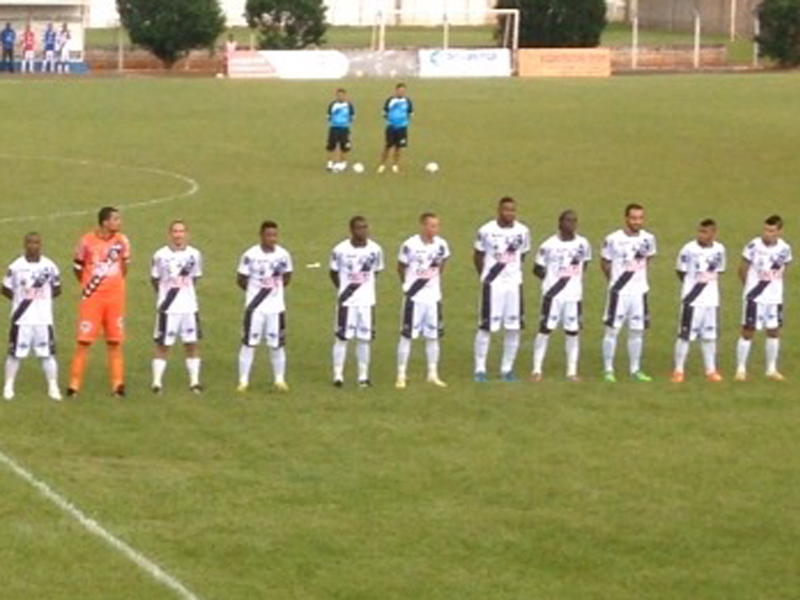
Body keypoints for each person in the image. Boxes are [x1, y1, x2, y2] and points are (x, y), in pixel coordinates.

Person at [68, 207, 131, 397]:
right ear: (105, 222)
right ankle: (74, 385)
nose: (119, 222)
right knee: (84, 341)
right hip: (92, 298)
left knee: (114, 341)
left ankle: (118, 385)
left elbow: (124, 267)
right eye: (115, 219)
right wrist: (88, 285)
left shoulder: (122, 241)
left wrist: (113, 284)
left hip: (115, 298)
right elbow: (77, 266)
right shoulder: (86, 241)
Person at [473, 197, 531, 382]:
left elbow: (522, 255)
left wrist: (511, 273)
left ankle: (507, 368)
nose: (510, 214)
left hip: (514, 285)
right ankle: (480, 368)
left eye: (513, 210)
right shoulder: (486, 230)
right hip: (493, 285)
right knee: (486, 327)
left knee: (513, 328)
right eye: (506, 210)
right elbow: (478, 255)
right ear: (499, 210)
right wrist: (487, 276)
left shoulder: (523, 231)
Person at [531, 210, 592, 382]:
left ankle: (572, 372)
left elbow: (585, 264)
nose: (571, 224)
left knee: (572, 332)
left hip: (573, 296)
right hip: (553, 296)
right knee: (545, 330)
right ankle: (536, 369)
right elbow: (537, 268)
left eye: (574, 221)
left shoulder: (583, 243)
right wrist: (552, 280)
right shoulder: (548, 245)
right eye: (568, 221)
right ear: (559, 223)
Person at [601, 203, 657, 383]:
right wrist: (615, 281)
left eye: (640, 218)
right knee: (612, 331)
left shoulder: (649, 239)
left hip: (639, 293)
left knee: (637, 331)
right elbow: (605, 262)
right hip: (619, 293)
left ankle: (635, 369)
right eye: (633, 218)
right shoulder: (613, 239)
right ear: (626, 218)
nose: (637, 221)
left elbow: (648, 258)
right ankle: (608, 369)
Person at [2, 233, 62, 401]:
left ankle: (53, 386)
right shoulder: (16, 266)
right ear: (25, 245)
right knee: (15, 354)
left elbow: (57, 289)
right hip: (21, 319)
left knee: (47, 354)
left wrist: (39, 300)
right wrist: (21, 301)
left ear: (40, 245)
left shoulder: (50, 266)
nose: (33, 246)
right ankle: (8, 386)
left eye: (36, 243)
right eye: (29, 243)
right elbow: (6, 288)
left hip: (43, 319)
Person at [396, 213, 450, 389]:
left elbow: (442, 264)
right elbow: (401, 267)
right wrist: (410, 286)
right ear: (423, 226)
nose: (435, 229)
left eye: (437, 225)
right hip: (414, 298)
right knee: (407, 336)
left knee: (433, 336)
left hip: (433, 298)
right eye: (432, 226)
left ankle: (432, 374)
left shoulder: (441, 245)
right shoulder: (409, 245)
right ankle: (401, 374)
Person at [237, 221, 293, 393]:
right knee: (249, 343)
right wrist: (256, 293)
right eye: (268, 235)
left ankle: (279, 379)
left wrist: (274, 292)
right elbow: (241, 279)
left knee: (277, 344)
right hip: (255, 308)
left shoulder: (283, 255)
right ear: (261, 235)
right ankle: (243, 381)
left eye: (274, 235)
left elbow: (288, 276)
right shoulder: (250, 255)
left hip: (276, 309)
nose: (272, 238)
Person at [735, 215, 792, 381]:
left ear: (780, 231)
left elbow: (783, 269)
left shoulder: (785, 249)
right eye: (766, 229)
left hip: (774, 298)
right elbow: (742, 270)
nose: (767, 233)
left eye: (772, 231)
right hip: (755, 297)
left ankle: (771, 369)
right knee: (748, 331)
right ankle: (741, 369)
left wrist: (774, 288)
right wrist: (751, 290)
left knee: (773, 331)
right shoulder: (753, 246)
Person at [330, 216, 384, 387]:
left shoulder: (375, 250)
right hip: (347, 302)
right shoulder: (340, 250)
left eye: (365, 227)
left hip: (367, 303)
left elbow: (376, 272)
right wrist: (345, 290)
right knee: (342, 338)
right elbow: (333, 273)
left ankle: (363, 376)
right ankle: (338, 375)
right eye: (359, 228)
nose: (363, 231)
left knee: (364, 339)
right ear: (352, 230)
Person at [151, 221, 204, 394]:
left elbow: (195, 278)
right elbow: (155, 279)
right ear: (170, 234)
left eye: (181, 231)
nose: (178, 235)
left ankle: (194, 382)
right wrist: (165, 296)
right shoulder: (160, 255)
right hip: (168, 308)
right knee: (163, 345)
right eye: (175, 231)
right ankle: (157, 382)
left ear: (186, 234)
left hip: (189, 307)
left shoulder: (194, 255)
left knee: (191, 343)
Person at [671, 219, 726, 383]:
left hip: (711, 301)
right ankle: (678, 370)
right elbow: (680, 271)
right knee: (685, 336)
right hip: (692, 301)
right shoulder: (688, 249)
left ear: (713, 233)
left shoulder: (719, 250)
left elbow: (719, 271)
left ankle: (711, 370)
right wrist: (692, 288)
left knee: (710, 336)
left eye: (705, 232)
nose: (701, 235)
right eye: (700, 231)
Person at [377, 83, 413, 174]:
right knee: (388, 146)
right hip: (391, 127)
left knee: (399, 147)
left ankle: (395, 165)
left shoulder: (407, 101)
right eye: (400, 90)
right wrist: (391, 121)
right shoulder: (390, 100)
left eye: (403, 91)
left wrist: (404, 122)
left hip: (402, 128)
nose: (402, 92)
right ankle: (382, 165)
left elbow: (410, 113)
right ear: (396, 90)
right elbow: (384, 113)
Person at [326, 88, 355, 173]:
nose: (340, 97)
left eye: (342, 95)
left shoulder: (349, 105)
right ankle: (330, 163)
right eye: (338, 95)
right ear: (336, 96)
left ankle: (342, 163)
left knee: (344, 146)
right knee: (331, 146)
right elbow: (328, 116)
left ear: (345, 95)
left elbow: (352, 116)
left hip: (344, 128)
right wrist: (334, 123)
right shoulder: (332, 105)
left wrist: (346, 124)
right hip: (334, 128)